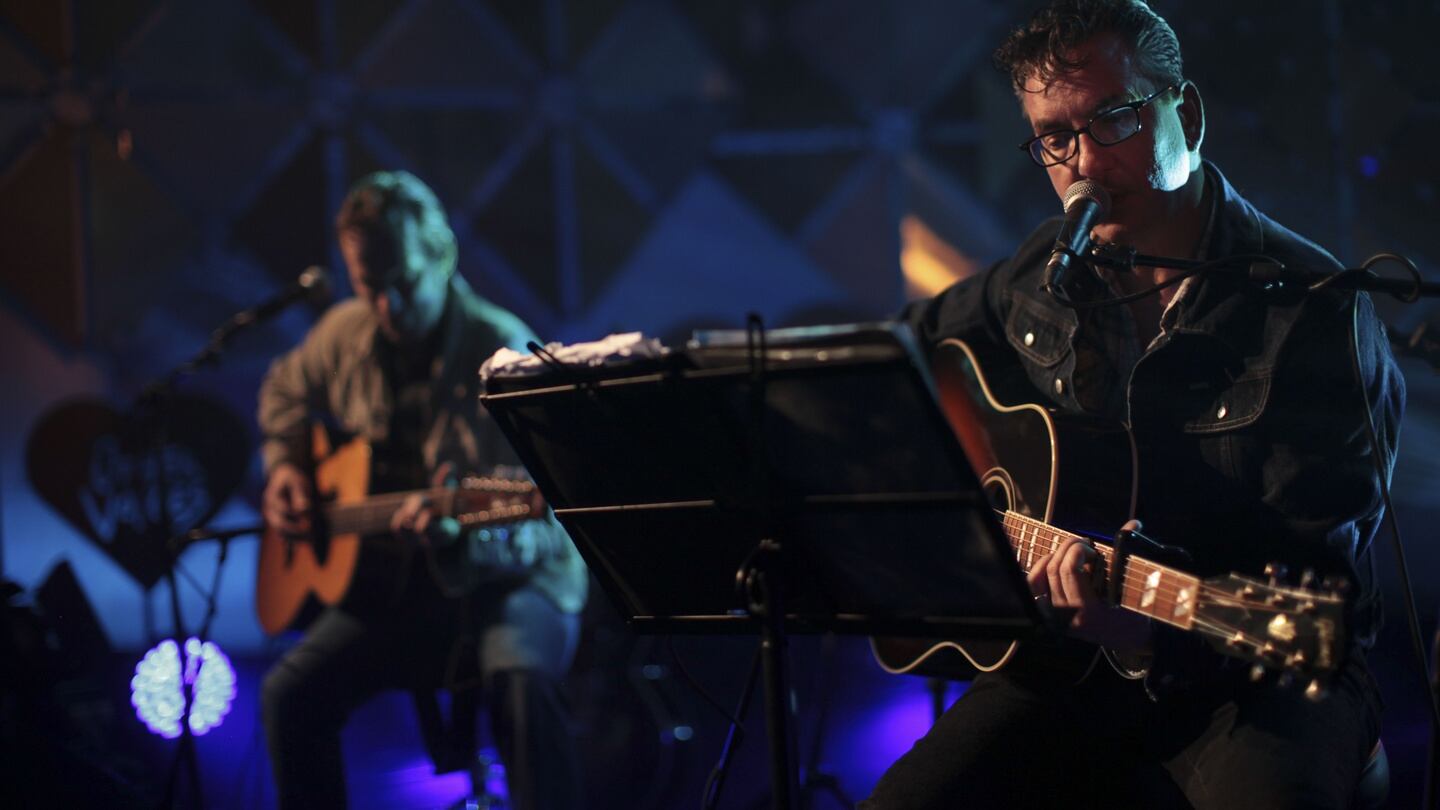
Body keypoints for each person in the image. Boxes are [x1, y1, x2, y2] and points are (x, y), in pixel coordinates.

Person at [862, 1, 1404, 808]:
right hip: (1067, 669)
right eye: (1054, 137)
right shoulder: (1040, 272)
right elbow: (900, 361)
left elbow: (1324, 584)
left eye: (1111, 120)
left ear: (1185, 112)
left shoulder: (1313, 308)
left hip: (1260, 672)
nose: (1082, 164)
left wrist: (1145, 633)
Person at [257, 171, 588, 809]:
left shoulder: (502, 350)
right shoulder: (344, 333)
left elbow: (547, 513)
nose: (387, 307)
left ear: (441, 257)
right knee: (288, 697)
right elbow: (282, 392)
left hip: (513, 580)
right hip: (395, 588)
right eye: (368, 286)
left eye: (403, 283)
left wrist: (464, 534)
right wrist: (286, 468)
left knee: (518, 682)